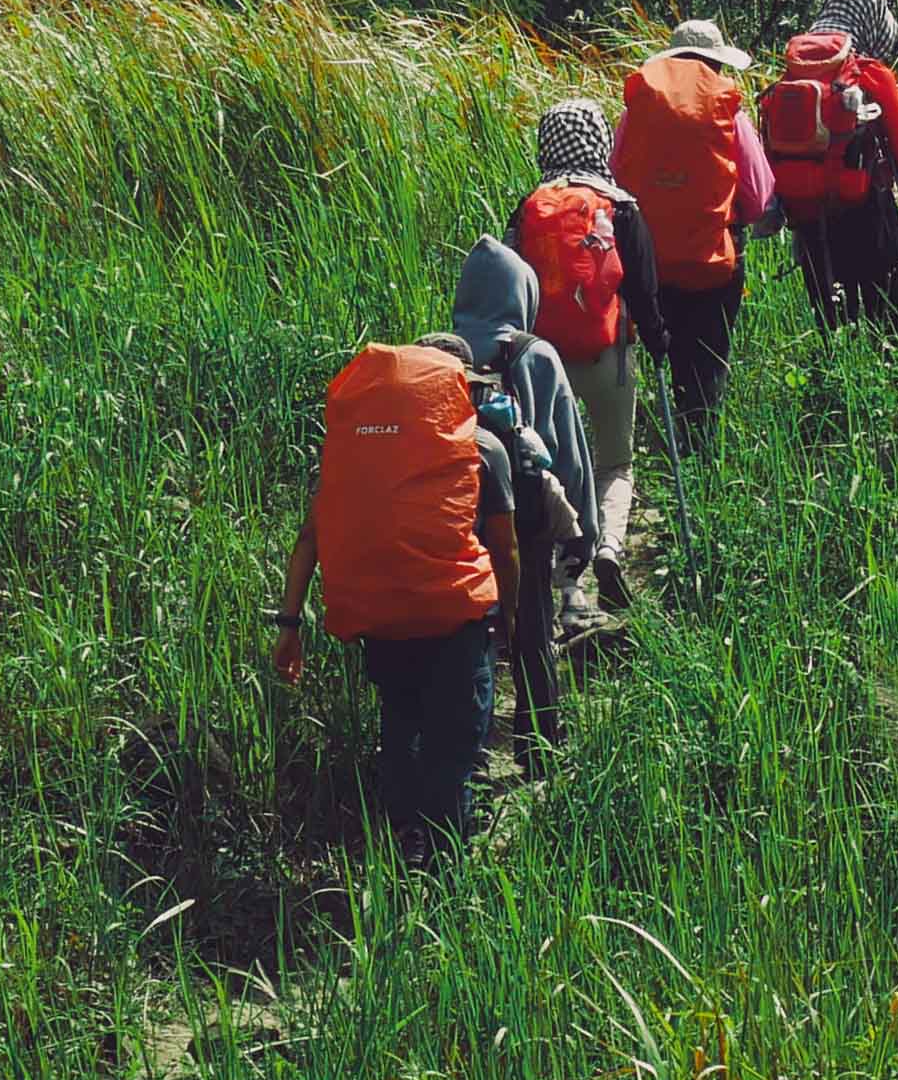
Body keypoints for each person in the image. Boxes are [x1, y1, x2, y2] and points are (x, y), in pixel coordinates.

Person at [273, 328, 578, 860]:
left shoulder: (359, 449)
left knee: (401, 721)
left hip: (380, 612)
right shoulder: (484, 447)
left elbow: (310, 536)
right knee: (456, 741)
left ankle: (406, 840)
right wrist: (508, 620)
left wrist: (290, 625)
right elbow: (505, 549)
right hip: (455, 614)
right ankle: (445, 860)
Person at [451, 237, 597, 743]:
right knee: (534, 630)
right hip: (526, 518)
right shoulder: (537, 355)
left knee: (473, 636)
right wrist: (584, 534)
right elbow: (571, 452)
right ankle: (538, 743)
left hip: (458, 518)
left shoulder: (443, 353)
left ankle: (468, 748)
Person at [513, 101, 665, 567]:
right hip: (608, 356)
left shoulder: (528, 210)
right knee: (615, 462)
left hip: (543, 364)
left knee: (550, 464)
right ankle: (610, 548)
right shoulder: (621, 207)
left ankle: (566, 562)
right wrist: (658, 344)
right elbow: (643, 290)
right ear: (600, 140)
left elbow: (513, 287)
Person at [761, 0, 898, 332]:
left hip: (808, 217)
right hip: (867, 211)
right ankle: (888, 378)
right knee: (887, 324)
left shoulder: (791, 76)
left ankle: (831, 383)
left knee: (832, 324)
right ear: (870, 19)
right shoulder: (871, 74)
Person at [610, 20, 770, 433]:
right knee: (707, 362)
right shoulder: (730, 111)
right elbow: (756, 196)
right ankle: (699, 453)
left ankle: (664, 435)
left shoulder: (638, 109)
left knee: (669, 352)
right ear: (715, 63)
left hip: (649, 262)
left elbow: (615, 179)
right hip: (714, 261)